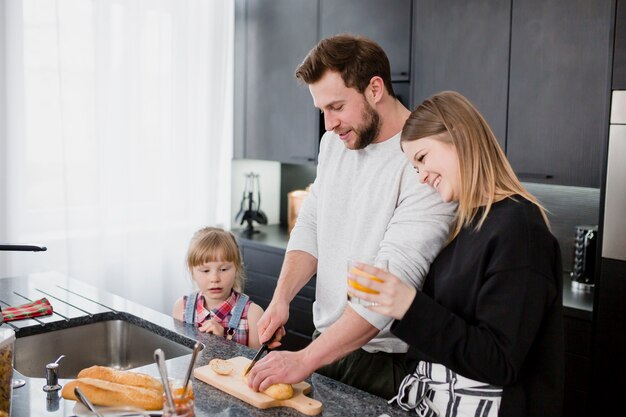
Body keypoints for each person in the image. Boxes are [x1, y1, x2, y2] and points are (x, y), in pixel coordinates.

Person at [246, 34, 456, 399]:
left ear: (375, 88)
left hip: (384, 362)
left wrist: (303, 361)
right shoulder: (335, 144)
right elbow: (312, 223)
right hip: (325, 345)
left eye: (337, 106)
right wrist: (281, 299)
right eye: (322, 110)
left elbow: (389, 286)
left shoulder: (424, 160)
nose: (329, 124)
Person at [347, 91, 564, 416]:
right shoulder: (465, 225)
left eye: (422, 158)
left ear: (459, 138)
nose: (420, 177)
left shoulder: (520, 229)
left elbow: (499, 362)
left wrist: (409, 305)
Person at [172, 226, 264, 349]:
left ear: (236, 268)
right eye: (205, 271)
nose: (214, 278)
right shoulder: (181, 308)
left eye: (223, 269)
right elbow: (179, 356)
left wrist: (223, 343)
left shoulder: (253, 315)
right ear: (192, 272)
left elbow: (259, 367)